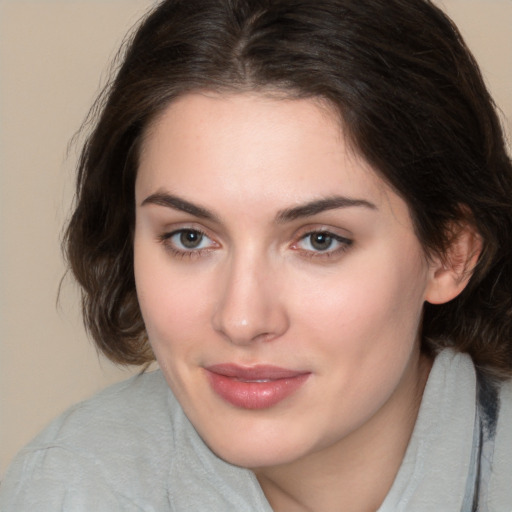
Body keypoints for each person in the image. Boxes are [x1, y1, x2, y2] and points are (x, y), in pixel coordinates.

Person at [1, 0, 511, 510]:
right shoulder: (68, 485)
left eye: (320, 240)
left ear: (449, 254)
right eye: (190, 237)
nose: (242, 320)